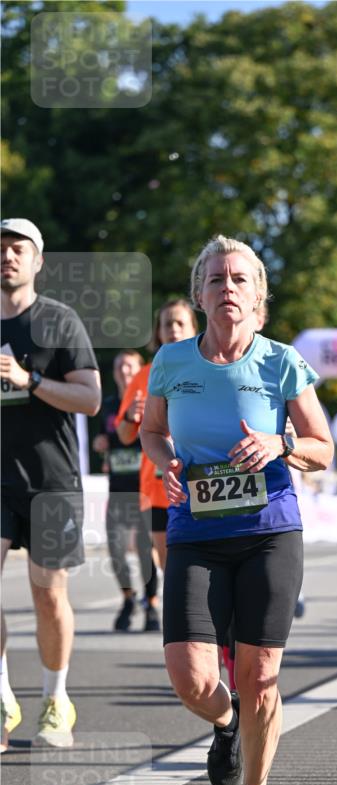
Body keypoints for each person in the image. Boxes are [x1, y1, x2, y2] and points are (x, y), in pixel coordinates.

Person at [140, 235, 333, 785]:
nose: (229, 289)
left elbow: (323, 448)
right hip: (196, 530)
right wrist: (164, 459)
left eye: (240, 280)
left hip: (268, 531)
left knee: (259, 670)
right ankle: (225, 725)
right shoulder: (171, 362)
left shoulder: (281, 362)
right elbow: (149, 432)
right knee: (191, 677)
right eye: (218, 279)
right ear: (199, 294)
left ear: (259, 297)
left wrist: (281, 444)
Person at [1, 218, 101, 750]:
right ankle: (0, 698)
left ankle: (55, 699)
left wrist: (29, 380)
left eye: (18, 249)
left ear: (37, 261)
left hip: (50, 480)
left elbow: (90, 399)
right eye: (0, 249)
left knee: (46, 594)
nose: (7, 256)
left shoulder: (59, 322)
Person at [115, 300, 198, 576]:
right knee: (171, 569)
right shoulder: (143, 376)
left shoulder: (211, 367)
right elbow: (125, 436)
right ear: (158, 332)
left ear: (193, 328)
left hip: (205, 481)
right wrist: (129, 416)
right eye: (166, 324)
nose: (173, 330)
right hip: (159, 488)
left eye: (180, 323)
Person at [92, 349, 160, 631]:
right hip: (118, 488)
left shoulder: (149, 398)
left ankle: (151, 604)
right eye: (120, 366)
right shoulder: (108, 405)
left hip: (145, 488)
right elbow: (103, 437)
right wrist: (100, 444)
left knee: (146, 550)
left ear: (139, 370)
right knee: (117, 550)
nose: (124, 371)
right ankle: (128, 599)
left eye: (130, 366)